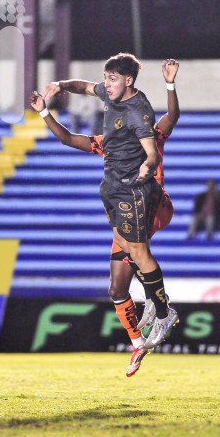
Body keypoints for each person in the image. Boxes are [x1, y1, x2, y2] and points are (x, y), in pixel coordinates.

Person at [33, 59, 180, 377]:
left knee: (136, 250)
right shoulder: (108, 144)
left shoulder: (152, 136)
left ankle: (160, 305)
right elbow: (69, 138)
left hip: (153, 204)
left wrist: (170, 84)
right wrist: (48, 105)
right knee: (116, 289)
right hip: (126, 210)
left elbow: (173, 117)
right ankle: (138, 342)